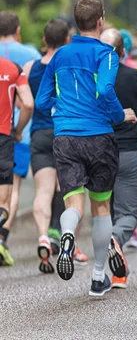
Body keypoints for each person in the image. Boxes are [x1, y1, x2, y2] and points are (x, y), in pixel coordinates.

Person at [35, 0, 137, 296]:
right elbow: (104, 88)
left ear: (76, 22)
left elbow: (41, 101)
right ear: (100, 20)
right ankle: (96, 278)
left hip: (65, 137)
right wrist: (120, 115)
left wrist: (64, 110)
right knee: (102, 207)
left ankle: (67, 234)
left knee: (73, 204)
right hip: (98, 136)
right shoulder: (106, 54)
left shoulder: (59, 56)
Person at [100, 29, 137, 288]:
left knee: (103, 210)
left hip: (98, 150)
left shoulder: (92, 78)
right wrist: (133, 116)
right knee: (129, 211)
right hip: (129, 151)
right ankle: (117, 238)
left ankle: (108, 274)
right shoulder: (136, 77)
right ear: (123, 51)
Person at [25, 19, 71, 273]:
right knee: (67, 189)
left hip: (39, 132)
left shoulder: (30, 66)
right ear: (67, 40)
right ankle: (64, 238)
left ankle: (43, 235)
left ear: (44, 41)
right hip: (64, 131)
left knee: (43, 190)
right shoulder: (67, 65)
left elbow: (27, 101)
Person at [0, 11, 41, 264]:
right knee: (9, 191)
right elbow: (30, 101)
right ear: (18, 31)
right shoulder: (29, 56)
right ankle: (2, 238)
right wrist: (19, 129)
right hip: (15, 136)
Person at [0, 57, 34, 267]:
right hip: (4, 138)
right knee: (3, 203)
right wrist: (19, 130)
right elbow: (28, 103)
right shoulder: (13, 68)